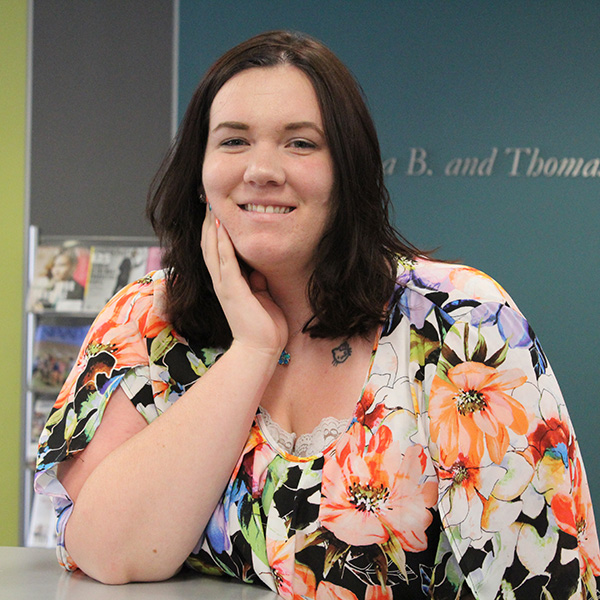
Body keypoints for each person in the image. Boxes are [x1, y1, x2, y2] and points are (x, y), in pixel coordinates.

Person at [35, 30, 600, 599]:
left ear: (346, 172)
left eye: (300, 143)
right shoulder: (148, 320)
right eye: (233, 141)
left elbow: (543, 583)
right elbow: (110, 552)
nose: (262, 169)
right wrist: (252, 350)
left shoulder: (461, 321)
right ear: (200, 174)